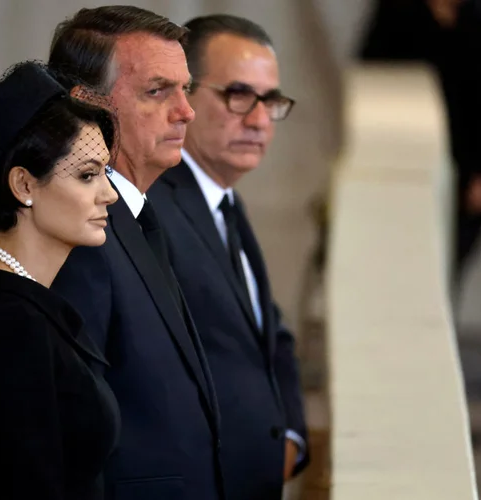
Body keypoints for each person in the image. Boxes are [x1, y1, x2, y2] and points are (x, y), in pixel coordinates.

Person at [48, 6, 224, 499]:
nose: (186, 110)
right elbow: (75, 435)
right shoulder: (82, 233)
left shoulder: (142, 214)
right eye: (157, 91)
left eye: (185, 88)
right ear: (88, 104)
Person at [0, 61, 120, 499]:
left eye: (106, 173)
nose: (109, 193)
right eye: (88, 174)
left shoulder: (11, 305)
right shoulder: (7, 323)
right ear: (24, 185)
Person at [147, 15, 309, 500]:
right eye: (239, 95)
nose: (259, 120)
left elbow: (270, 337)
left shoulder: (225, 200)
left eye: (271, 101)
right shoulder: (148, 207)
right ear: (184, 96)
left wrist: (292, 441)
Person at [359, 0, 481, 295]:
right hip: (401, 157)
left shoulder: (480, 19)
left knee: (448, 260)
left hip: (464, 162)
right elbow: (370, 72)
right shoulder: (397, 11)